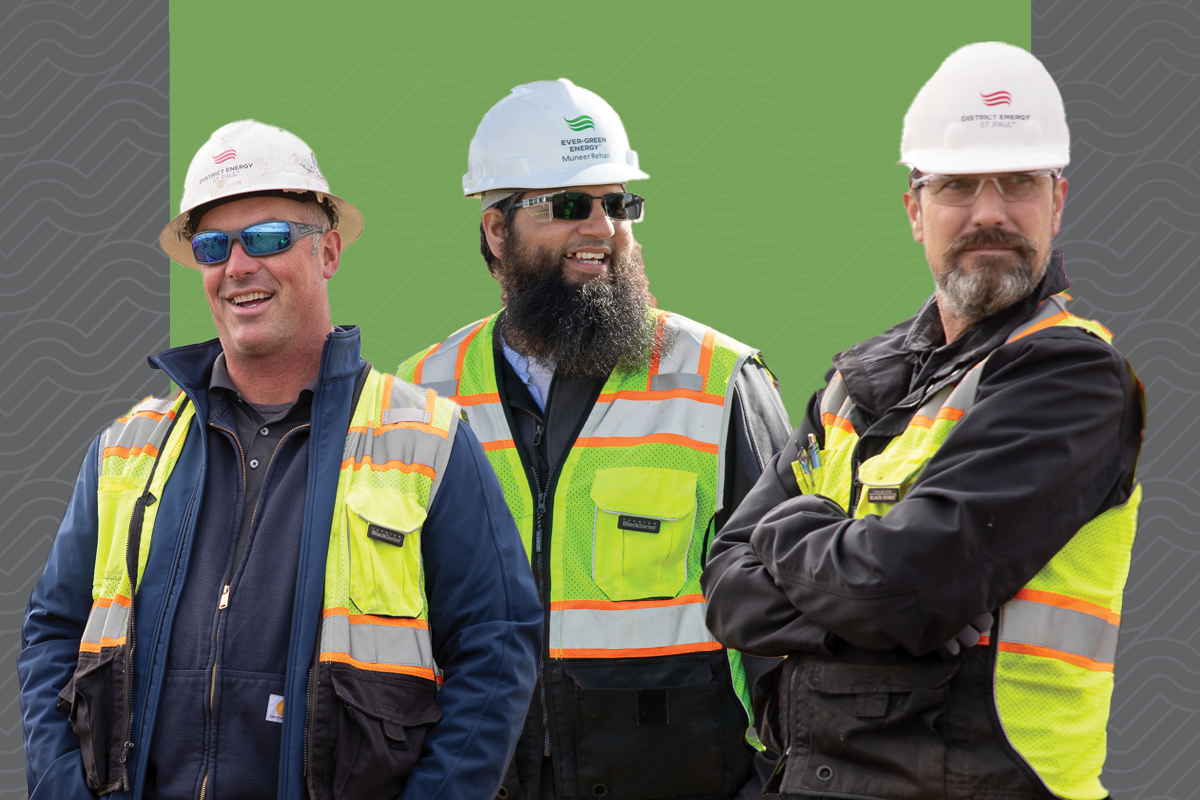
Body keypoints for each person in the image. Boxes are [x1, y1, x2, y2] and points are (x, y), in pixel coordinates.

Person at [19, 119, 542, 800]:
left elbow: (496, 648)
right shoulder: (128, 445)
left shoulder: (426, 438)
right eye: (214, 246)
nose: (238, 266)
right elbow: (52, 635)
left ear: (327, 253)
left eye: (266, 238)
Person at [701, 42, 1144, 800]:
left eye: (1017, 183)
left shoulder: (1074, 378)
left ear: (1058, 202)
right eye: (958, 186)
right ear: (915, 209)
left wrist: (791, 540)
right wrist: (865, 590)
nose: (989, 212)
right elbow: (723, 585)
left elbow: (899, 592)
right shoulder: (857, 381)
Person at [395, 79, 792, 800]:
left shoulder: (719, 382)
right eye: (569, 206)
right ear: (494, 229)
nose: (602, 229)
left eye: (620, 204)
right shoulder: (421, 396)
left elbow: (785, 620)